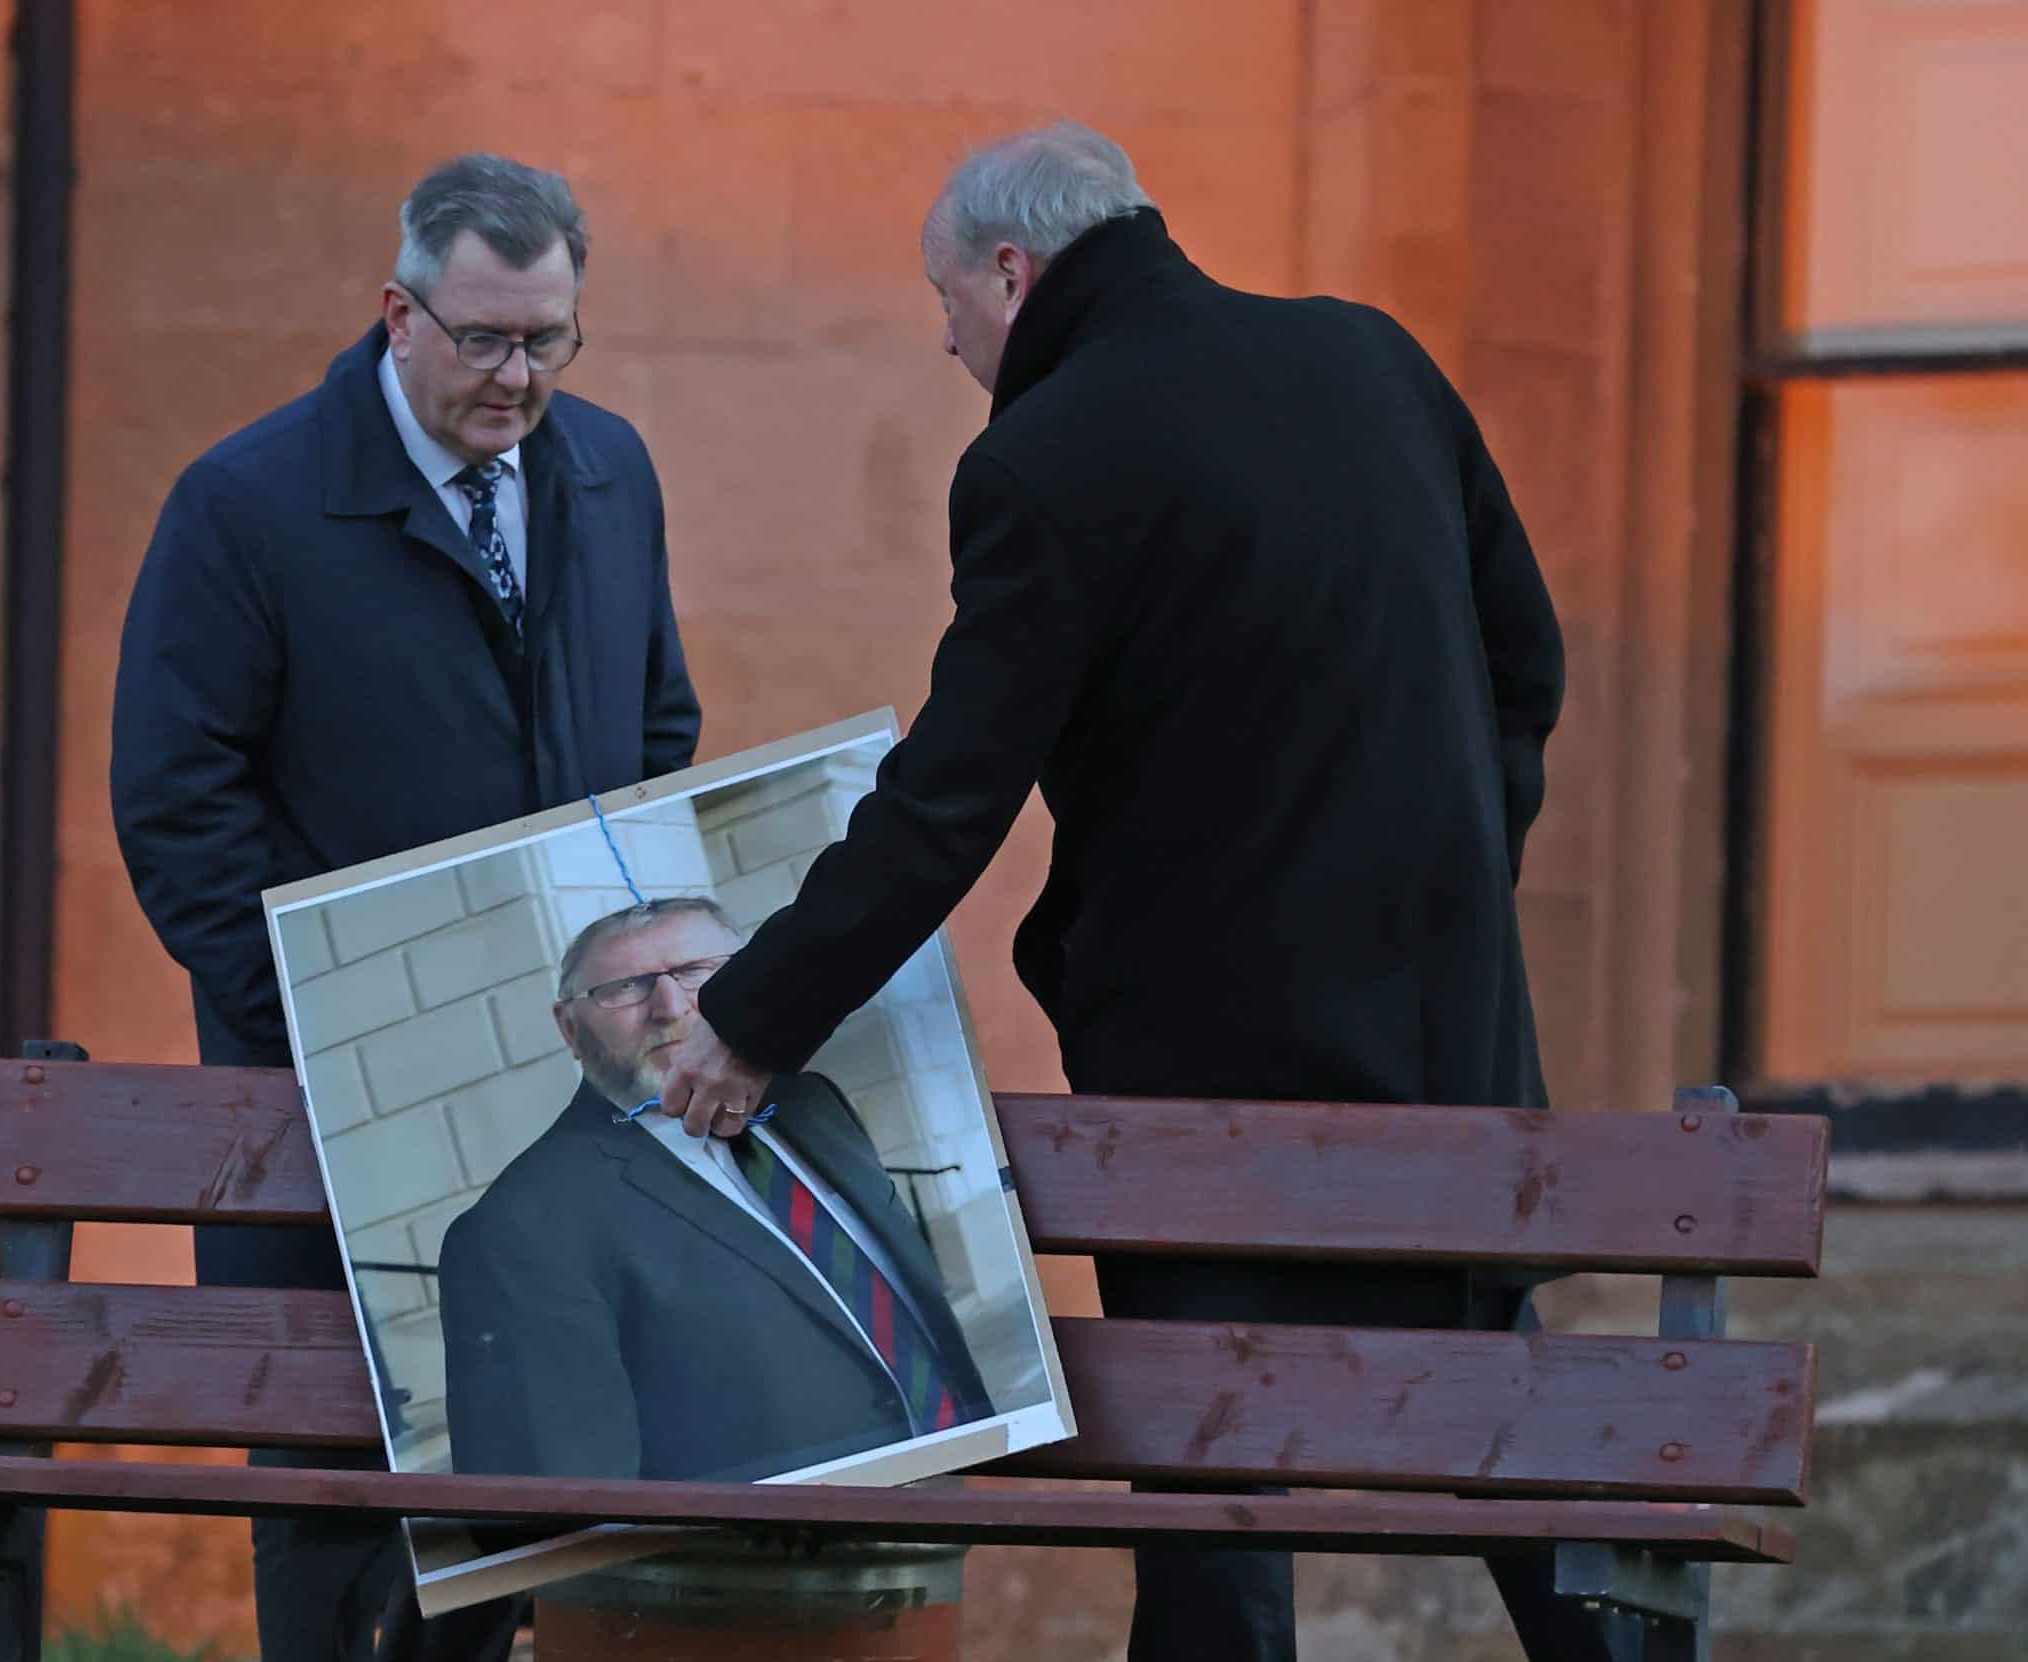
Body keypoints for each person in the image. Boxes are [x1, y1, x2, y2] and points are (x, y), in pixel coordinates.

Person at [660, 124, 1586, 1659]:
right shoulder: (1375, 363)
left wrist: (754, 1016)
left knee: (1212, 1495)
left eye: (945, 302)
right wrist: (1454, 886)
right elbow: (1526, 666)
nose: (945, 337)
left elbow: (947, 798)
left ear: (1014, 274)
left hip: (1203, 1074)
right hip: (1440, 1038)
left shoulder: (1047, 455)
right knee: (1521, 1451)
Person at [110, 153, 699, 1662]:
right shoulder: (244, 506)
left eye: (548, 340)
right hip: (320, 1093)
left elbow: (656, 729)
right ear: (398, 314)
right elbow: (179, 805)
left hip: (550, 1089)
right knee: (327, 1500)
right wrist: (329, 1007)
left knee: (522, 1477)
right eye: (485, 339)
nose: (519, 377)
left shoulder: (610, 471)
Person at [439, 897, 993, 1484]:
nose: (670, 1007)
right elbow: (558, 1508)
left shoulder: (811, 1104)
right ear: (568, 1027)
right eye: (626, 987)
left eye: (700, 972)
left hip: (951, 1483)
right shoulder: (518, 1227)